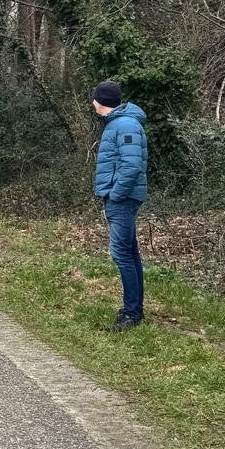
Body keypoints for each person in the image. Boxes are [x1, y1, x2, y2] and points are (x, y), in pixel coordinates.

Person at [92, 80, 149, 331]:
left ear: (100, 101)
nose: (92, 102)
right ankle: (133, 308)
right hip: (122, 197)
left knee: (122, 254)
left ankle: (132, 314)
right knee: (129, 252)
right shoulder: (118, 123)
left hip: (122, 199)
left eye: (94, 98)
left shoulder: (125, 125)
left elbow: (132, 165)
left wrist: (115, 194)